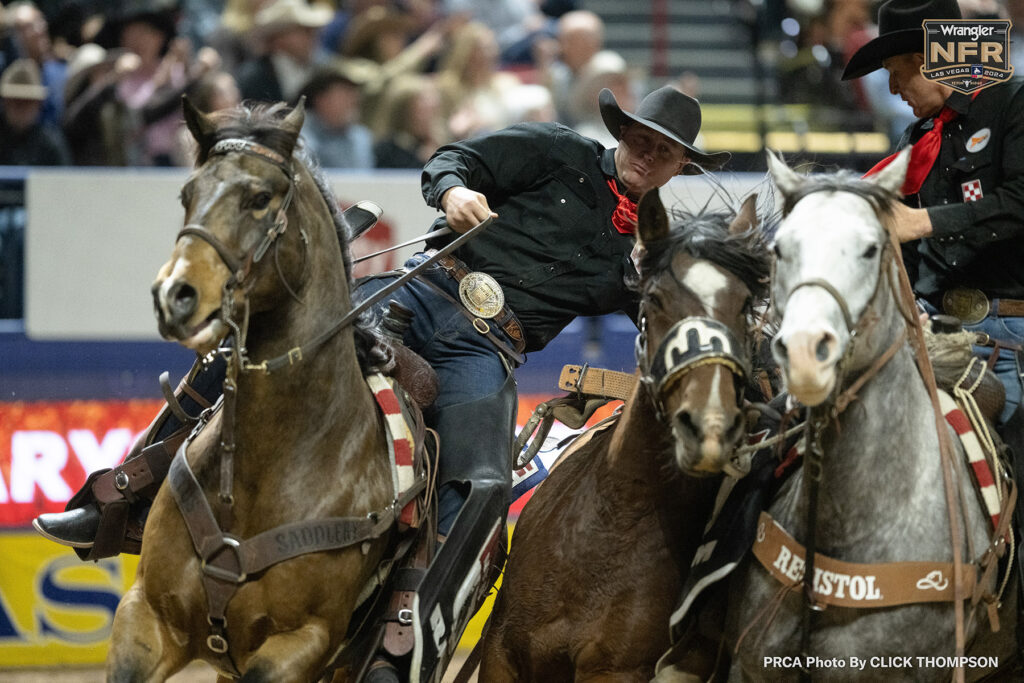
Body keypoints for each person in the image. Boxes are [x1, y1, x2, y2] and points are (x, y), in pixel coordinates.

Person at [34, 84, 730, 679]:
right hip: (419, 292)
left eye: (665, 151)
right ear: (624, 131)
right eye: (643, 137)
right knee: (252, 348)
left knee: (485, 485)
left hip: (486, 351)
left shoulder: (646, 248)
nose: (649, 153)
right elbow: (455, 160)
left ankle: (409, 633)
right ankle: (120, 491)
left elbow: (674, 309)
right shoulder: (555, 150)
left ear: (677, 167)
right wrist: (455, 193)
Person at [841, 0, 1024, 427]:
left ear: (925, 62)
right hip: (933, 329)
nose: (891, 88)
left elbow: (1019, 200)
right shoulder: (917, 136)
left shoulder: (1015, 102)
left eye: (894, 71)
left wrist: (923, 222)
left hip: (1011, 332)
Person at [0, 57, 70, 165]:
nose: (21, 107)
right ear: (5, 102)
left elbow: (62, 178)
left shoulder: (50, 143)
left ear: (38, 104)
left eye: (27, 101)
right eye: (15, 100)